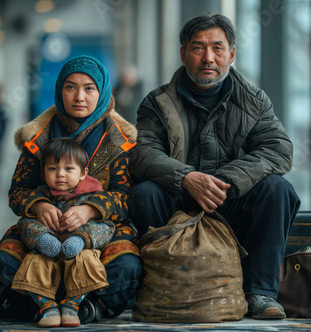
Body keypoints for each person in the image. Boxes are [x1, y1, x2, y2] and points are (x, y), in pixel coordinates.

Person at [129, 13, 301, 320]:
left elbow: (279, 151)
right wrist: (186, 178)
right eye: (198, 48)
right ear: (183, 53)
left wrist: (223, 181)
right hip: (178, 205)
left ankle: (260, 292)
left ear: (231, 54)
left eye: (218, 48)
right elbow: (143, 155)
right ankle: (161, 285)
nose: (208, 57)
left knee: (277, 190)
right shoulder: (157, 103)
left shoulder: (254, 101)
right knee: (145, 192)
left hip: (229, 200)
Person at [0, 55, 141, 326]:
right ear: (60, 90)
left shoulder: (119, 140)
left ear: (103, 92)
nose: (79, 97)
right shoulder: (37, 138)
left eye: (89, 89)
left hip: (101, 228)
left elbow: (125, 196)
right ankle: (54, 304)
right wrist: (39, 205)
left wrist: (90, 210)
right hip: (43, 228)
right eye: (70, 87)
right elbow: (17, 191)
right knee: (2, 261)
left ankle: (85, 306)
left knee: (127, 268)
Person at [13, 137, 115, 327]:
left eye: (68, 169)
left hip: (78, 248)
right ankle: (47, 307)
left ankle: (72, 306)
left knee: (86, 261)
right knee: (35, 262)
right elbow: (25, 224)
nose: (60, 174)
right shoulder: (41, 196)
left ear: (83, 173)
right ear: (43, 173)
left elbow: (106, 227)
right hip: (47, 249)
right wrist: (41, 238)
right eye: (52, 168)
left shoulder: (92, 197)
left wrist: (82, 239)